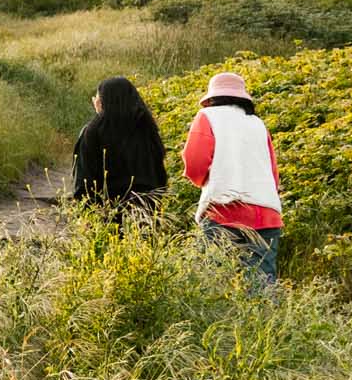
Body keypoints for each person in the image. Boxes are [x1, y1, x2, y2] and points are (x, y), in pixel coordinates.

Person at [182, 71, 282, 284]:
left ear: (212, 97)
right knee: (262, 285)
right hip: (267, 214)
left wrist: (206, 181)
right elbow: (273, 174)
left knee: (215, 282)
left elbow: (195, 162)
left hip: (224, 211)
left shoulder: (207, 117)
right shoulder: (258, 123)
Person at [71, 75, 168, 218]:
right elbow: (159, 174)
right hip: (145, 212)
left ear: (103, 101)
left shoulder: (93, 131)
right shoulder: (146, 128)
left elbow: (83, 179)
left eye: (97, 97)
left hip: (107, 214)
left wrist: (87, 215)